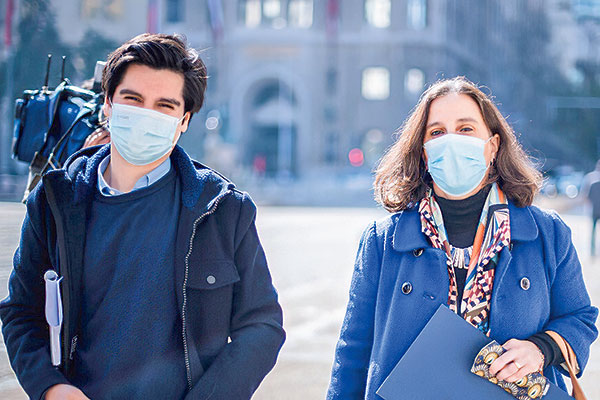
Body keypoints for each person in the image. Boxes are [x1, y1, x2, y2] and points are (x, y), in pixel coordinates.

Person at [0, 33, 285, 400]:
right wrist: (52, 388)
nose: (146, 115)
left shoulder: (224, 209)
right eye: (132, 99)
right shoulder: (55, 199)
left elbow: (261, 325)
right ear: (108, 104)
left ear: (184, 120)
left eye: (164, 106)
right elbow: (21, 312)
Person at [327, 77, 598, 399]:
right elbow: (354, 350)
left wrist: (540, 350)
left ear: (493, 145)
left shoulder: (547, 234)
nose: (451, 141)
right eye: (437, 132)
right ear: (425, 151)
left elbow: (580, 318)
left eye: (466, 129)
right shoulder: (382, 240)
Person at [581, 160, 600, 255]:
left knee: (593, 231)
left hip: (594, 210)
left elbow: (586, 197)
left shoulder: (592, 182)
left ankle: (592, 251)